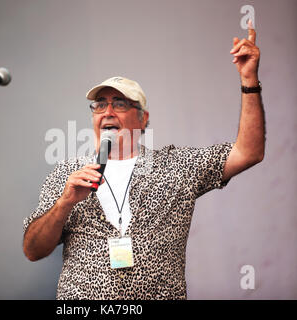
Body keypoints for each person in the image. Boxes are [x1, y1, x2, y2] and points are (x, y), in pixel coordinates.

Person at [22, 22, 265, 299]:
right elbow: (33, 250)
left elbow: (248, 152)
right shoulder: (68, 172)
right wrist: (64, 203)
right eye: (100, 104)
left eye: (120, 103)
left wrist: (249, 81)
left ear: (143, 118)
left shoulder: (175, 166)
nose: (108, 111)